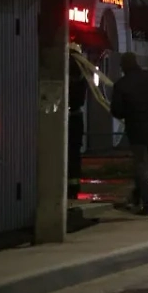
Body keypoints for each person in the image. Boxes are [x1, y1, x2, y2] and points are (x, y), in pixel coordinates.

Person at [109, 52, 148, 216]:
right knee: (142, 163)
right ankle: (136, 197)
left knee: (141, 165)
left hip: (136, 129)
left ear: (123, 66)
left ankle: (147, 203)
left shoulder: (121, 85)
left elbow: (117, 110)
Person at [67, 47, 90, 200]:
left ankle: (68, 186)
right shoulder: (82, 74)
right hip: (76, 117)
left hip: (67, 117)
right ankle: (73, 188)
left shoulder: (68, 73)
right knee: (74, 154)